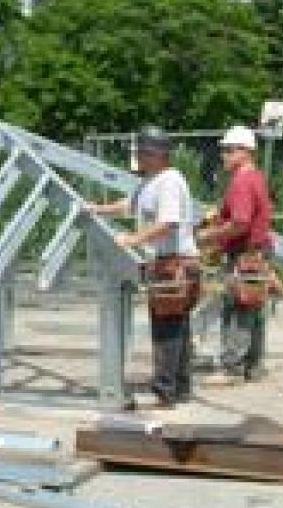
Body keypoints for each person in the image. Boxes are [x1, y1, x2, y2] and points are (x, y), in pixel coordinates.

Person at [88, 127, 200, 409]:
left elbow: (168, 222)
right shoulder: (151, 182)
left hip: (174, 263)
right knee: (175, 328)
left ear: (155, 154)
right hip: (167, 263)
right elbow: (130, 205)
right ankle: (178, 388)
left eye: (140, 152)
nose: (137, 157)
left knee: (167, 330)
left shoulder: (170, 181)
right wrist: (98, 209)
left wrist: (133, 239)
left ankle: (166, 390)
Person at [197, 125, 273, 382]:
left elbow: (240, 222)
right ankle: (254, 365)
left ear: (245, 151)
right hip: (257, 251)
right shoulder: (256, 177)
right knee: (253, 308)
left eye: (229, 150)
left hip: (245, 253)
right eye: (224, 150)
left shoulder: (241, 182)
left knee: (238, 308)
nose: (224, 155)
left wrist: (209, 235)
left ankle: (232, 368)